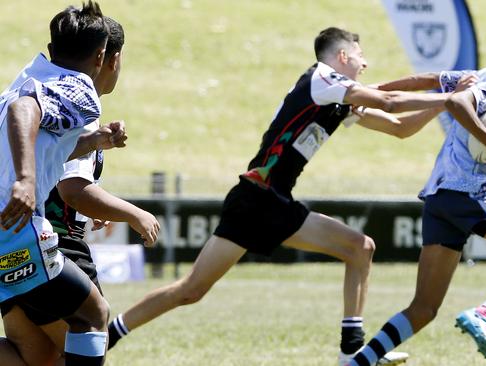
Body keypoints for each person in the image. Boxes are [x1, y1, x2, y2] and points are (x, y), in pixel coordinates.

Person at [106, 26, 461, 365]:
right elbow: (389, 101)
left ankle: (352, 351)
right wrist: (452, 95)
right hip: (255, 199)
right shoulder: (323, 78)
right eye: (360, 55)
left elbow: (399, 128)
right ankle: (110, 333)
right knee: (191, 290)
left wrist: (445, 103)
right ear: (342, 56)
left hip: (273, 201)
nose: (364, 63)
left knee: (360, 248)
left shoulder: (337, 96)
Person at [347, 32, 486, 365]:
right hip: (468, 194)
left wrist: (368, 92)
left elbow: (428, 80)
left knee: (424, 308)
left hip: (440, 198)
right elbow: (455, 102)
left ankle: (358, 362)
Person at [0, 16, 160, 366]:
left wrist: (94, 141)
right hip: (14, 228)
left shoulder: (31, 73)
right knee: (92, 315)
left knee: (38, 358)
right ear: (104, 57)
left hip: (8, 228)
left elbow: (42, 142)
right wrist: (25, 181)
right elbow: (23, 111)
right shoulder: (80, 88)